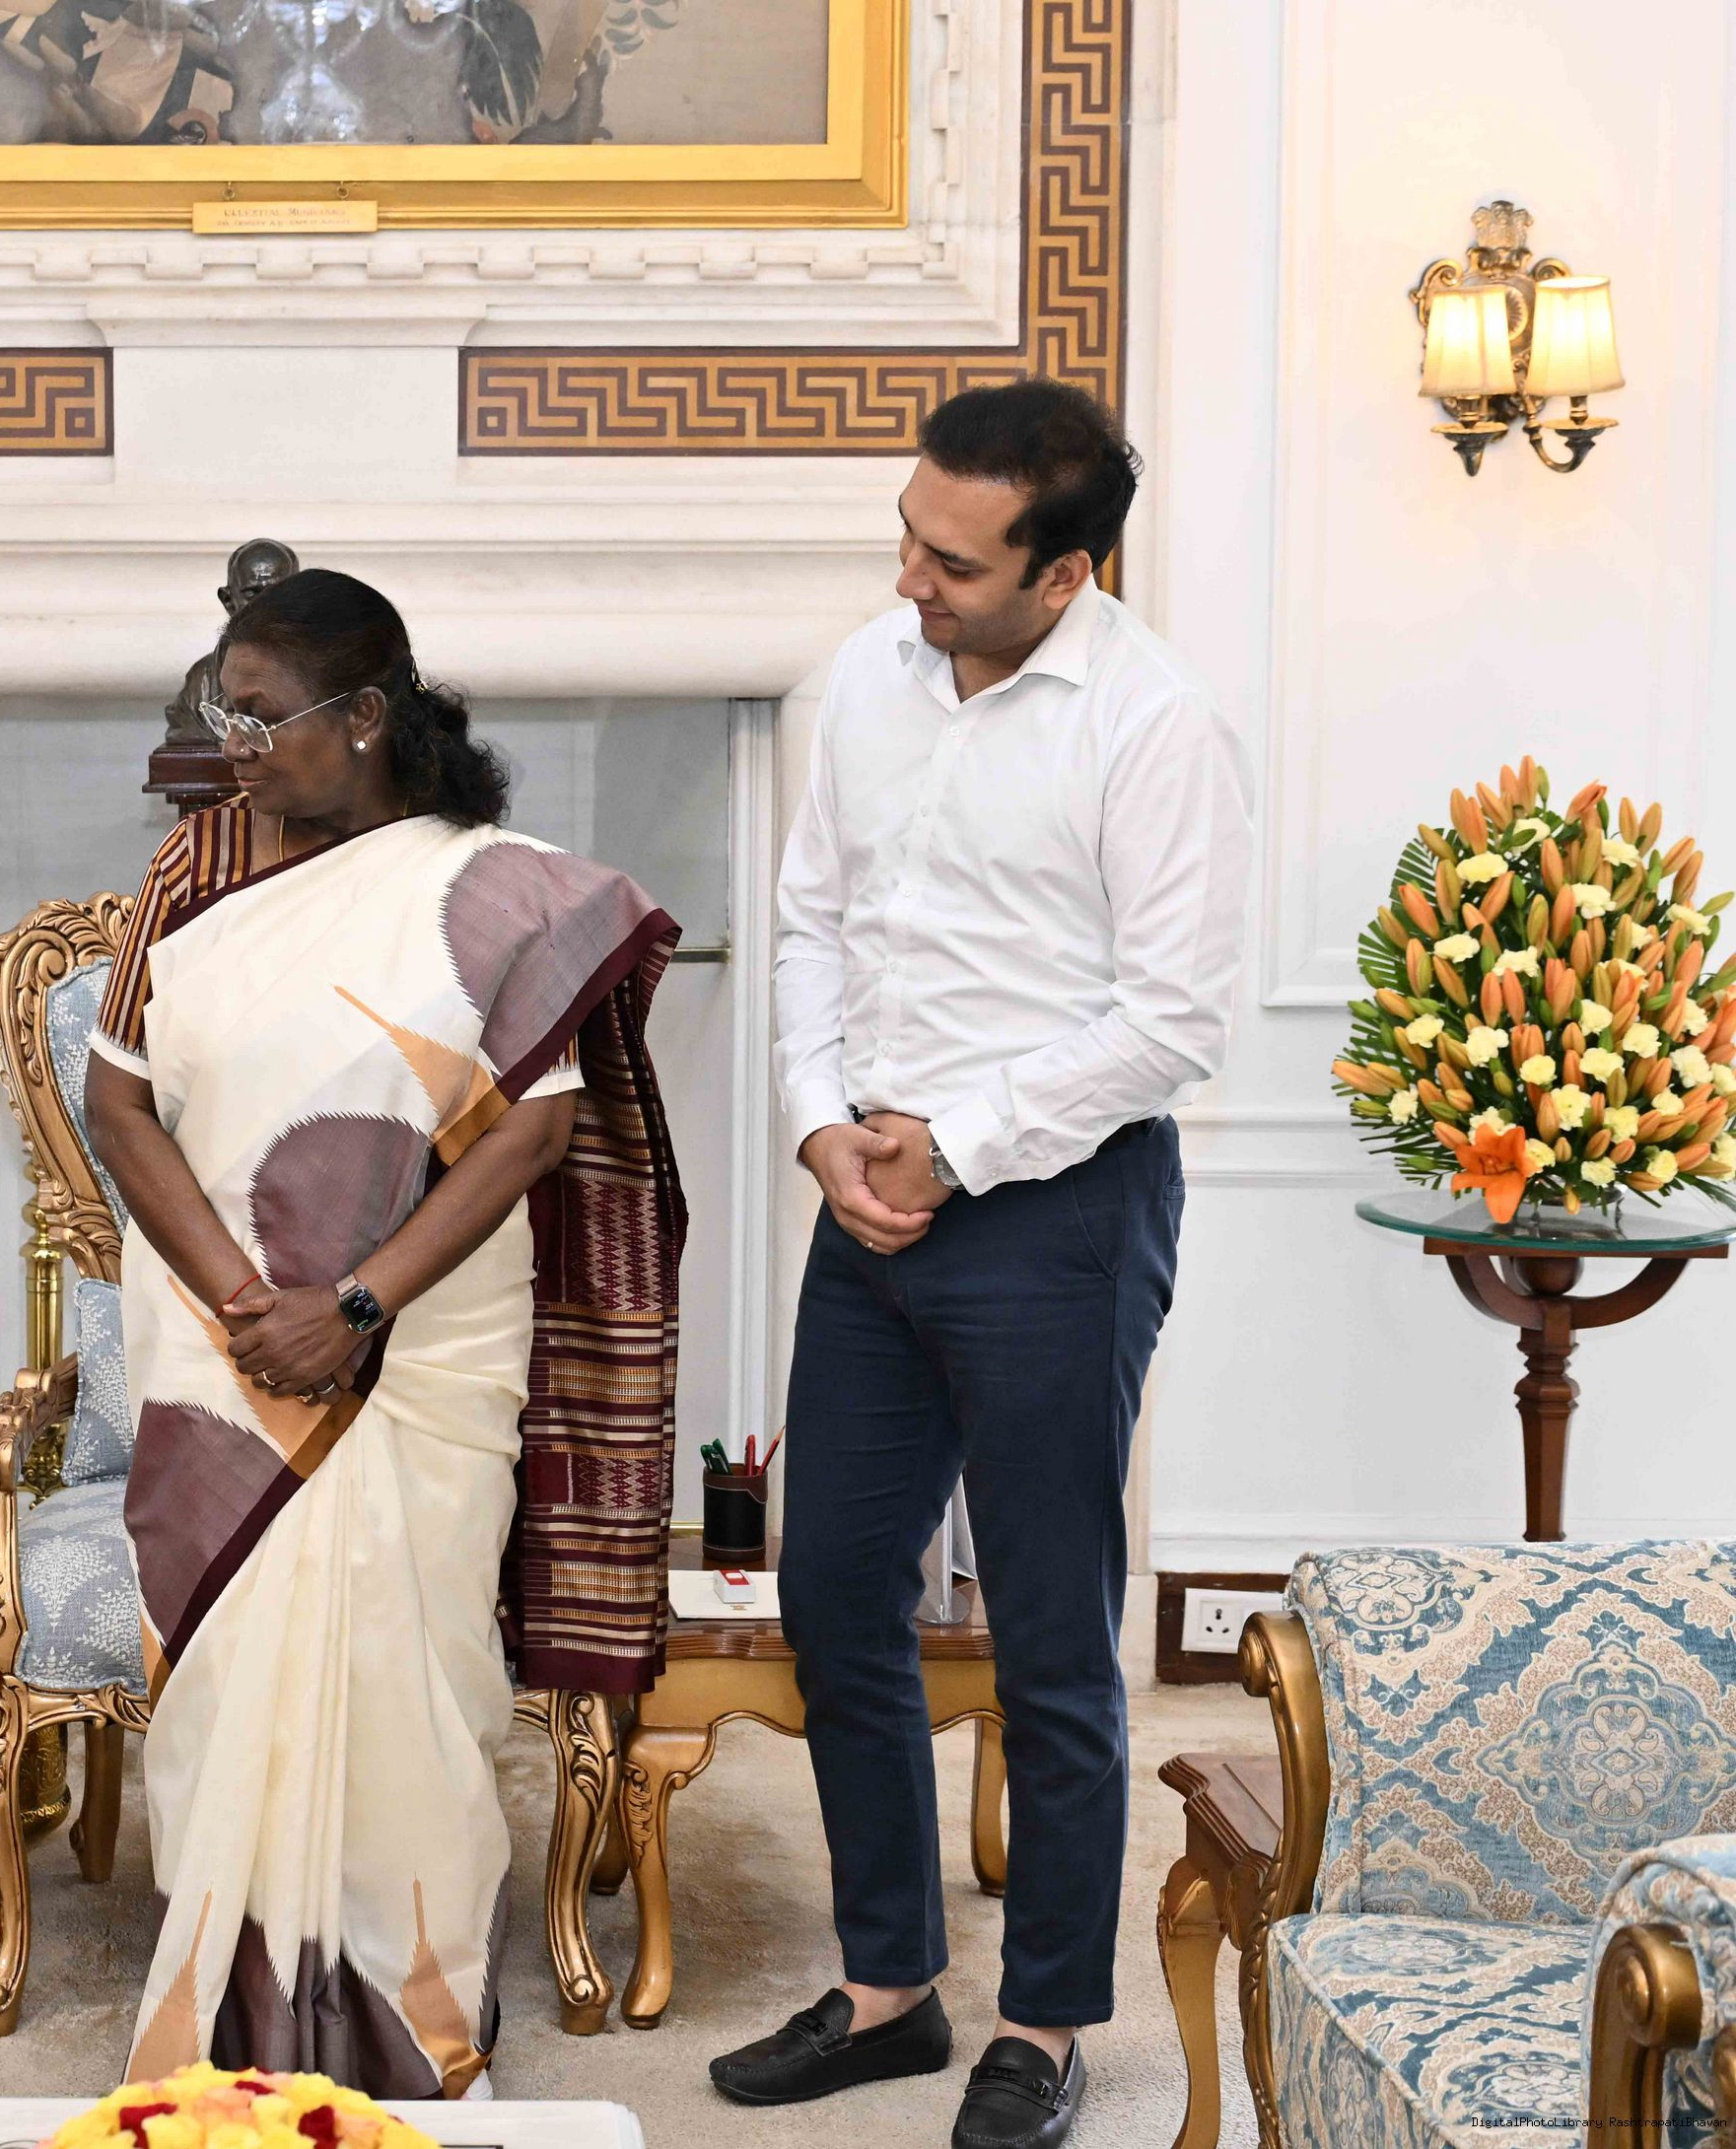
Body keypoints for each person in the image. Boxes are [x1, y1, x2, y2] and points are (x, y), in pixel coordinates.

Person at [707, 381, 1247, 2149]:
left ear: (1065, 572)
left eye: (950, 563)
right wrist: (819, 1130)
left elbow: (1170, 1022)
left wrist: (955, 1144)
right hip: (863, 1197)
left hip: (1057, 1215)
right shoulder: (869, 673)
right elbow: (810, 921)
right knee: (831, 1593)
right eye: (905, 540)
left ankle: (1043, 2023)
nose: (908, 583)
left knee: (1048, 1635)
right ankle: (887, 1993)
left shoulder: (1154, 726)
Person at [87, 568, 685, 2100]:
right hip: (222, 1361)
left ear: (363, 718)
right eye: (219, 710)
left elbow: (531, 1134)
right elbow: (119, 1106)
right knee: (224, 1693)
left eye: (259, 716)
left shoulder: (496, 892)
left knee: (411, 1693)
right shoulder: (190, 875)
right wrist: (250, 1306)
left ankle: (412, 2028)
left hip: (417, 1353)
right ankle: (221, 2030)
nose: (230, 744)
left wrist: (354, 1306)